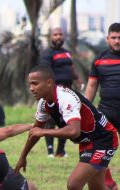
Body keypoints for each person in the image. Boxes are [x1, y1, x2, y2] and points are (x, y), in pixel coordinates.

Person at [15, 64, 120, 190]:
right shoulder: (44, 103)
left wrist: (45, 133)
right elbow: (35, 131)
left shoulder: (65, 97)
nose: (32, 88)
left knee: (74, 185)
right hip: (89, 141)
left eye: (35, 83)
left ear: (49, 82)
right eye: (30, 84)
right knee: (97, 189)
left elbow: (73, 130)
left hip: (103, 138)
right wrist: (23, 156)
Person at [84, 22, 120, 190]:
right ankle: (107, 179)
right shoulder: (99, 60)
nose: (117, 41)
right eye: (113, 37)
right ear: (107, 39)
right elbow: (92, 86)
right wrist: (84, 108)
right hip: (106, 110)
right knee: (100, 145)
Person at [39, 27, 83, 158]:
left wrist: (78, 78)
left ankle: (61, 151)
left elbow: (72, 67)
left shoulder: (66, 53)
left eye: (60, 34)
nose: (58, 37)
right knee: (51, 120)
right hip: (55, 93)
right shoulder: (47, 54)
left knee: (65, 121)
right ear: (50, 37)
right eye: (55, 34)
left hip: (68, 91)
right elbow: (45, 72)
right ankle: (50, 151)